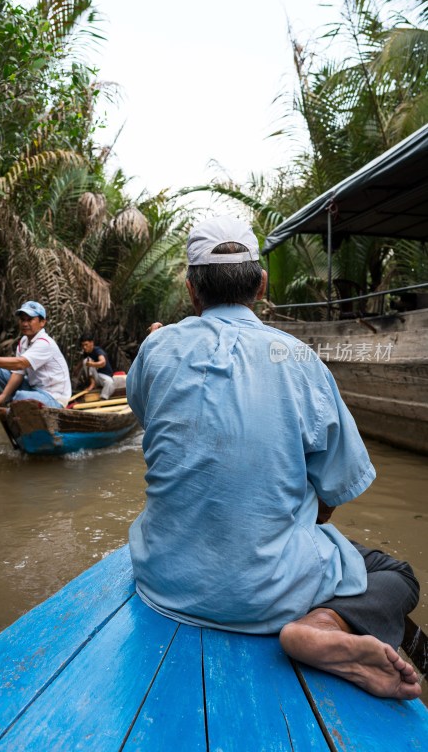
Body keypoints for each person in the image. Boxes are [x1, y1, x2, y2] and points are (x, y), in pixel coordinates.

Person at [126, 216, 421, 700]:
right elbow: (334, 491)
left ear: (191, 290)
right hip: (267, 598)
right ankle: (323, 622)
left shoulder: (157, 347)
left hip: (161, 584)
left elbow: (146, 411)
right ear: (261, 286)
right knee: (396, 574)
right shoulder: (299, 358)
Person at [0, 301, 71, 409]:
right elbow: (18, 373)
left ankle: (15, 408)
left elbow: (20, 364)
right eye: (22, 320)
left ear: (42, 322)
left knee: (21, 396)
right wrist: (3, 396)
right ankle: (16, 405)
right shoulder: (23, 342)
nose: (25, 324)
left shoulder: (45, 343)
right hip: (35, 390)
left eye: (30, 320)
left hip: (53, 397)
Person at [73, 333, 115, 400]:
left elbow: (103, 362)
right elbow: (81, 364)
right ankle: (92, 383)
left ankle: (103, 398)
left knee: (110, 383)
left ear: (91, 343)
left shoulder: (98, 351)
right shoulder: (86, 353)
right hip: (96, 377)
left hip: (104, 377)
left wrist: (91, 364)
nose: (84, 347)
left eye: (86, 344)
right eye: (83, 345)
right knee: (86, 360)